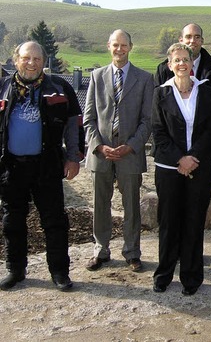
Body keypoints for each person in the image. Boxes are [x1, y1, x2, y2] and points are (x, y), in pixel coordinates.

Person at [0, 41, 81, 291]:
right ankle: (16, 269)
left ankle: (59, 272)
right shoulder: (3, 88)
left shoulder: (59, 87)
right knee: (12, 220)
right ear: (16, 60)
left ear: (44, 62)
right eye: (26, 58)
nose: (32, 63)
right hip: (11, 166)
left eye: (37, 59)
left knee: (55, 221)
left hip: (47, 165)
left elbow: (74, 123)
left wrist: (74, 157)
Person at [83, 29, 154, 273]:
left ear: (131, 47)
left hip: (130, 154)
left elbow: (148, 121)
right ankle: (100, 251)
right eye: (115, 45)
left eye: (124, 45)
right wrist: (99, 146)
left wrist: (131, 146)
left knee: (131, 206)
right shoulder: (96, 76)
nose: (119, 49)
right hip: (101, 153)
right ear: (108, 46)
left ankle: (132, 252)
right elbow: (89, 119)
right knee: (100, 204)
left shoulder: (145, 79)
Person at [151, 43, 211, 296]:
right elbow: (158, 133)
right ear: (169, 65)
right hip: (168, 168)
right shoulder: (160, 94)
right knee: (169, 222)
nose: (181, 64)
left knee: (194, 222)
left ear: (192, 64)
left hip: (200, 167)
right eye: (176, 60)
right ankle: (164, 274)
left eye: (185, 60)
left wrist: (193, 158)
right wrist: (180, 159)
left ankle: (191, 278)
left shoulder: (208, 92)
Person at [154, 23, 211, 104]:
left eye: (197, 37)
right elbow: (158, 103)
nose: (192, 41)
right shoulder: (163, 70)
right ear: (181, 40)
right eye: (188, 37)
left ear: (202, 41)